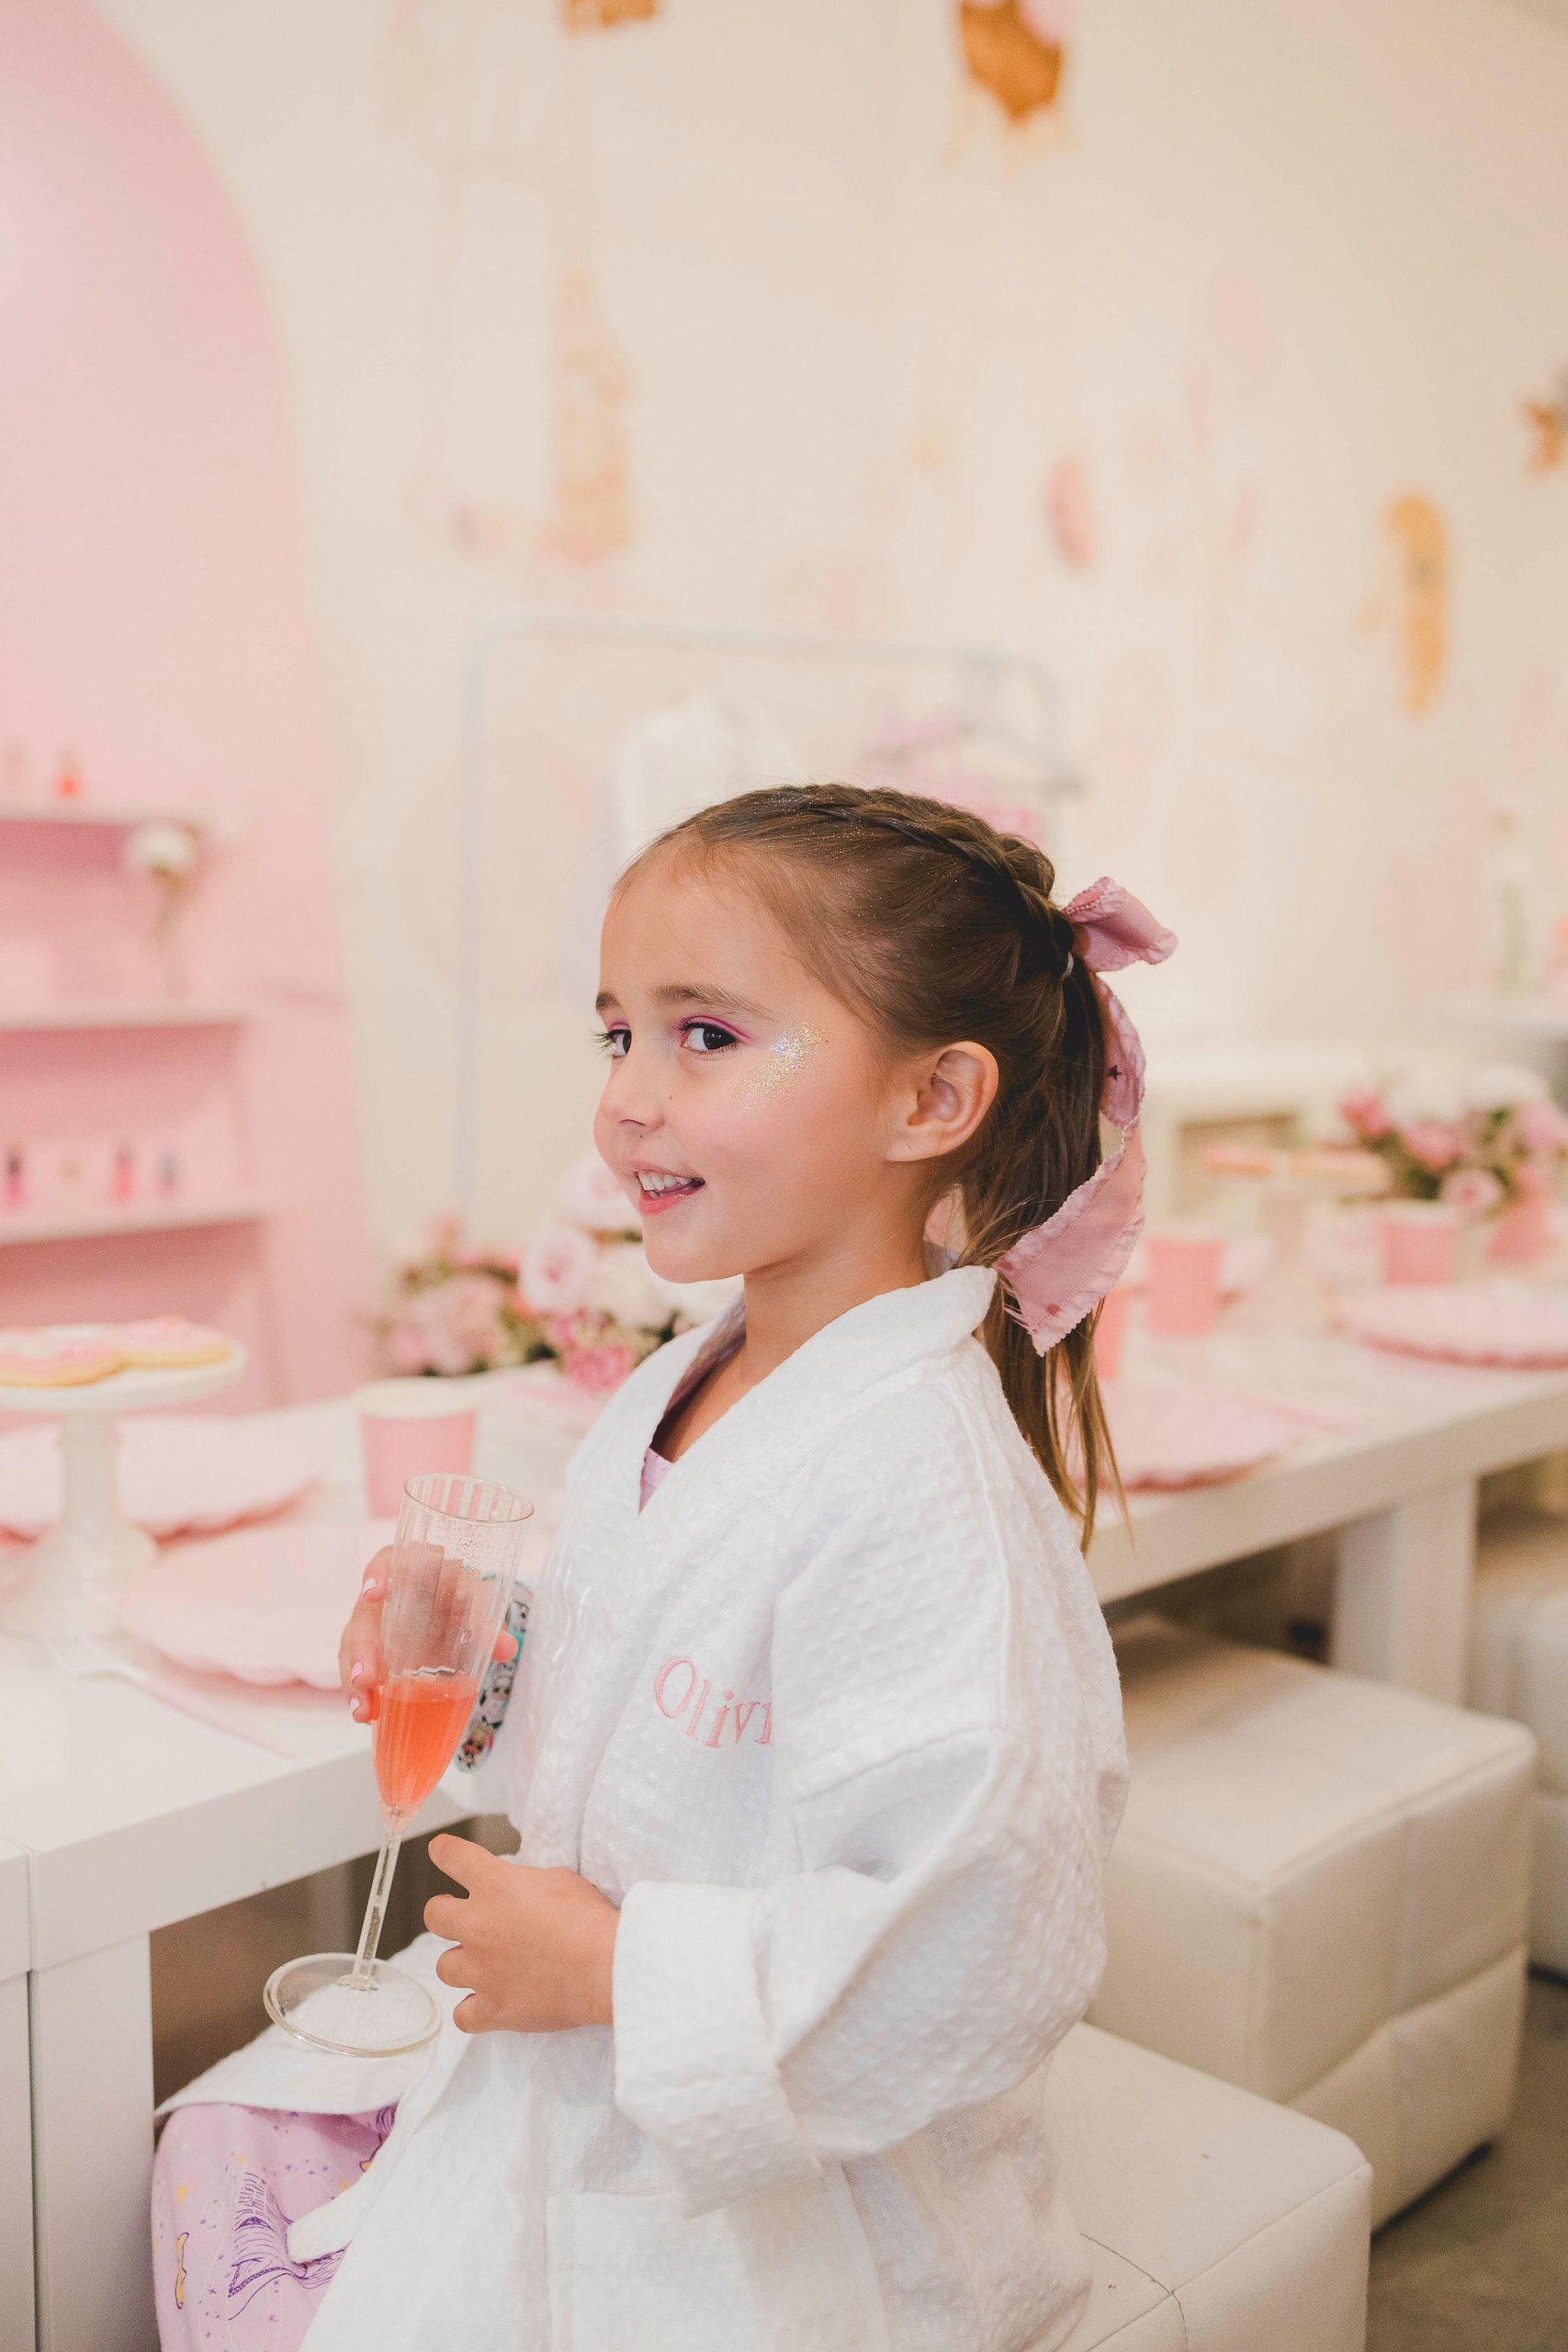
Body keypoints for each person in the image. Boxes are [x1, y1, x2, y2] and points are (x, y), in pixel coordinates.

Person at [152, 782, 1175, 2352]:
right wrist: (489, 1655)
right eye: (616, 1034)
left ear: (931, 1100)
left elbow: (983, 1939)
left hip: (791, 2207)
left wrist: (625, 1971)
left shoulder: (923, 1489)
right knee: (202, 2138)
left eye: (704, 1036)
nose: (627, 1099)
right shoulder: (688, 1380)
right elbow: (651, 1704)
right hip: (588, 2062)